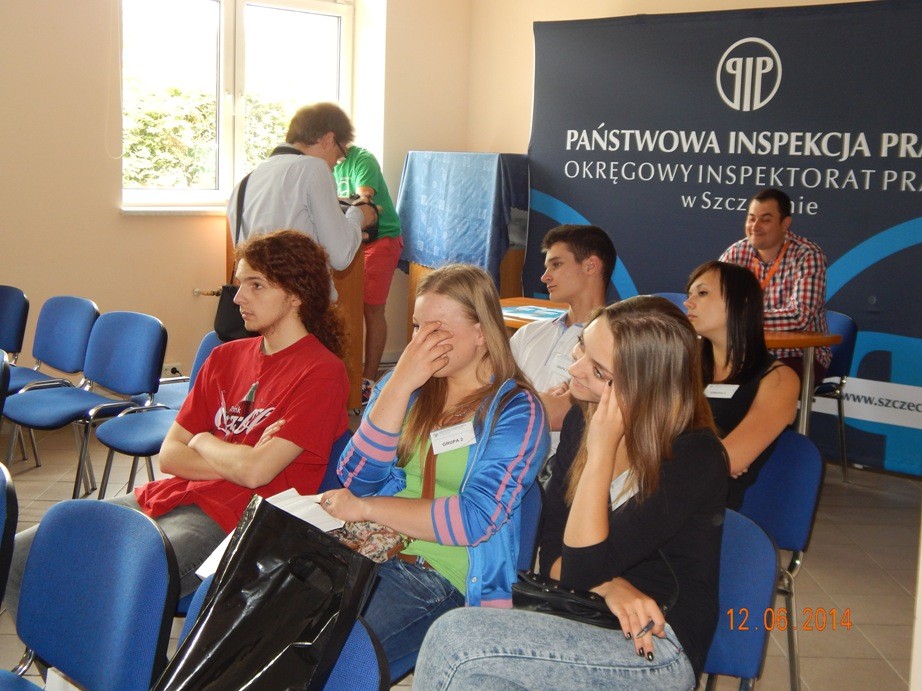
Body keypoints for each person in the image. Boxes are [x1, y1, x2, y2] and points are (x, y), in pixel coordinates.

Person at [4, 230, 350, 620]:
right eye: (240, 284)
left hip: (237, 520)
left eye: (256, 285)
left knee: (101, 581)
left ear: (296, 294)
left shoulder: (321, 372)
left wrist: (201, 440)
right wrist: (235, 456)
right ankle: (50, 657)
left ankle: (102, 655)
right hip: (171, 495)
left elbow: (255, 474)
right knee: (21, 553)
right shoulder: (225, 358)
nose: (238, 297)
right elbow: (170, 456)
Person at [414, 296, 728, 690]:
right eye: (581, 347)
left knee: (456, 639)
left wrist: (601, 453)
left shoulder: (694, 457)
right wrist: (608, 584)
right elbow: (553, 553)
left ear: (643, 389)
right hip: (584, 614)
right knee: (476, 680)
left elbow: (579, 571)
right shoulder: (583, 417)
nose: (574, 369)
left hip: (656, 641)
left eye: (598, 370)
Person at [320, 264, 549, 680]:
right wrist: (398, 386)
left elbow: (474, 519)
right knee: (276, 624)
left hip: (441, 575)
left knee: (327, 655)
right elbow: (357, 478)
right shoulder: (409, 386)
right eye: (416, 326)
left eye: (437, 329)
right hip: (372, 550)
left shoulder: (516, 410)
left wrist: (367, 509)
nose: (420, 343)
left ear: (481, 333)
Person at [685, 261, 799, 509]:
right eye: (690, 294)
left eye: (702, 293)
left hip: (714, 507)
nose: (688, 303)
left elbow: (732, 460)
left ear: (742, 303)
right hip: (670, 487)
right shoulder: (684, 366)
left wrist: (718, 457)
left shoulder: (779, 379)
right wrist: (715, 453)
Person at [226, 103, 377, 277]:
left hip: (257, 290)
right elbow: (341, 256)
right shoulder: (314, 168)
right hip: (300, 292)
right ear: (328, 139)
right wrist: (358, 215)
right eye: (338, 156)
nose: (334, 165)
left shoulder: (244, 183)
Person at [510, 224, 616, 449]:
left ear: (590, 265)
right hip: (511, 453)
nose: (544, 277)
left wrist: (522, 402)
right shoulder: (528, 333)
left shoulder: (616, 343)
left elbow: (557, 415)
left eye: (556, 265)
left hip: (572, 461)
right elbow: (490, 397)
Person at [720, 187, 830, 379]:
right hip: (745, 353)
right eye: (751, 218)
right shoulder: (735, 254)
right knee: (699, 373)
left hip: (797, 355)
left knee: (759, 382)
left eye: (765, 219)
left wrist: (744, 319)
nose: (755, 227)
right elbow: (716, 304)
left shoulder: (807, 255)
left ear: (785, 223)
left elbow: (800, 317)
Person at [334, 145, 403, 405]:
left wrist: (356, 202)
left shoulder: (362, 160)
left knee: (371, 309)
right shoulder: (323, 164)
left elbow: (365, 199)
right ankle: (345, 378)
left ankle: (368, 381)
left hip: (380, 240)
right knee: (345, 307)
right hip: (350, 239)